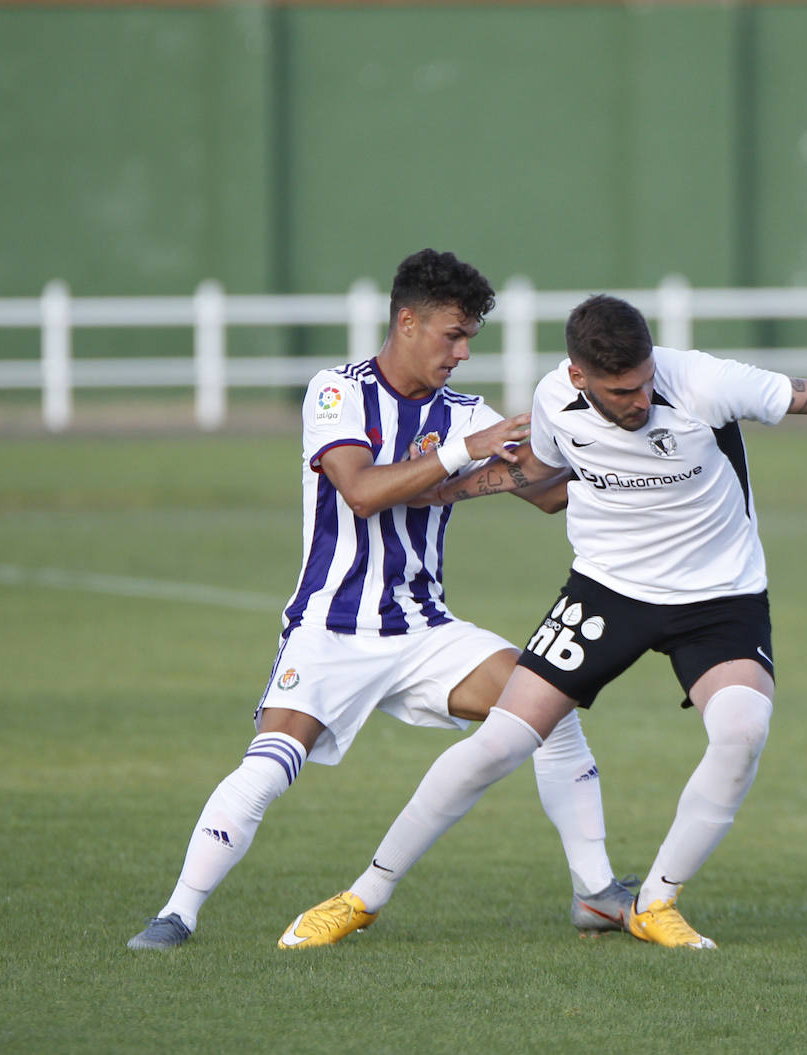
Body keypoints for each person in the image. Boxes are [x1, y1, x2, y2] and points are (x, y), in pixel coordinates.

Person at [284, 292, 807, 950]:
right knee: (499, 744)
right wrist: (439, 490)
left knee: (741, 731)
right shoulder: (552, 398)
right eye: (619, 391)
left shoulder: (703, 381)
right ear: (578, 378)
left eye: (642, 384)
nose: (637, 400)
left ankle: (655, 901)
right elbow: (536, 473)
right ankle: (363, 896)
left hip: (720, 598)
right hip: (605, 591)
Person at [127, 251, 634, 951]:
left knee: (549, 698)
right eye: (452, 335)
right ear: (407, 321)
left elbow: (545, 493)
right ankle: (176, 914)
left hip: (424, 630)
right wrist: (466, 450)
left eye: (469, 339)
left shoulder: (465, 412)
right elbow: (360, 492)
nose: (461, 352)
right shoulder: (337, 392)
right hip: (329, 628)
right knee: (269, 766)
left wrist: (620, 452)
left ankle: (596, 892)